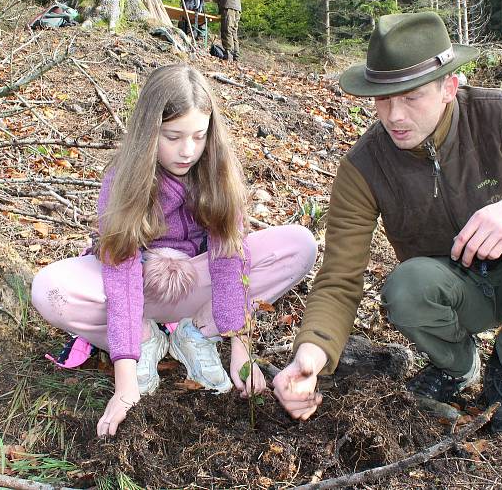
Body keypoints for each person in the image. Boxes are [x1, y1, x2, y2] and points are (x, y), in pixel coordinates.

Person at [273, 12, 502, 435]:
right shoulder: (365, 166)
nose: (394, 116)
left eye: (411, 97)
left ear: (449, 88)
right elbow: (339, 278)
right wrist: (309, 356)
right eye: (383, 98)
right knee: (406, 286)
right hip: (452, 293)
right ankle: (457, 365)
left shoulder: (498, 116)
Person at [32, 64, 317, 437]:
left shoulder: (216, 171)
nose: (188, 151)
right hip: (139, 291)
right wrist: (125, 380)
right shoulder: (124, 179)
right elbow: (120, 274)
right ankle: (145, 340)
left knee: (300, 245)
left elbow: (230, 258)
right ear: (149, 131)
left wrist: (241, 346)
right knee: (48, 289)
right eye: (173, 136)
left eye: (199, 136)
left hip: (199, 287)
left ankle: (197, 333)